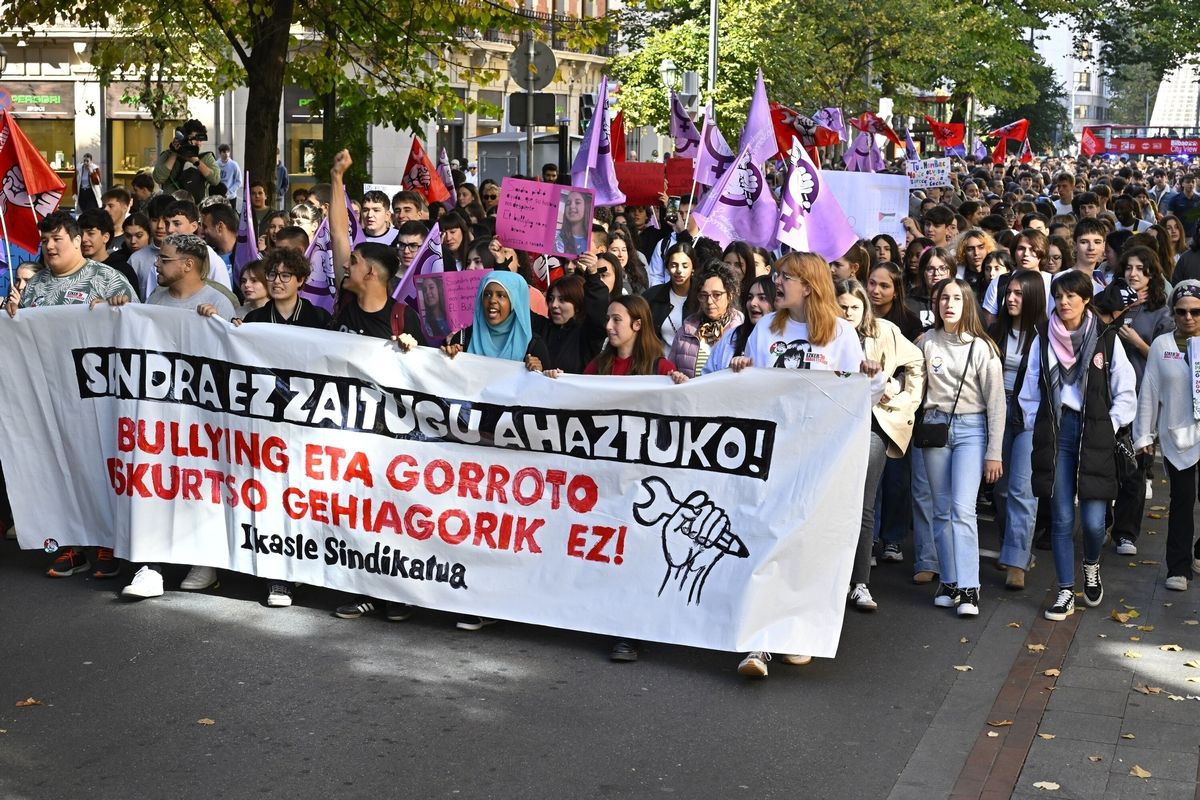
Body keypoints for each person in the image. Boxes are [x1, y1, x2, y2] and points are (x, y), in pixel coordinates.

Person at [729, 251, 879, 677]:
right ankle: (757, 645)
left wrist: (871, 375)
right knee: (764, 542)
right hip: (771, 455)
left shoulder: (842, 335)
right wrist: (740, 368)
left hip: (819, 459)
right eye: (778, 275)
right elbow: (747, 393)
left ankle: (799, 632)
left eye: (787, 277)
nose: (777, 283)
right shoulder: (764, 329)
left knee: (807, 546)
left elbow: (859, 399)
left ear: (809, 286)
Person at [5, 211, 138, 581]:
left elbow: (136, 331)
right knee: (57, 468)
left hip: (99, 398)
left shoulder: (109, 279)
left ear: (78, 240)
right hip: (47, 395)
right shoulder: (34, 285)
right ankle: (69, 544)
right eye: (44, 240)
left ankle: (108, 542)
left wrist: (119, 311)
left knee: (100, 466)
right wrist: (11, 313)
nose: (49, 247)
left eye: (57, 239)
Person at [1018, 270, 1137, 621]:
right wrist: (1034, 424)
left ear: (1086, 299)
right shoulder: (1042, 336)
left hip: (1095, 433)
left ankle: (1091, 566)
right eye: (1059, 296)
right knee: (1061, 518)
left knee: (1094, 522)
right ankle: (1066, 591)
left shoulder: (1104, 336)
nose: (1064, 302)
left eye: (1071, 295)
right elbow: (1029, 388)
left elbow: (1125, 387)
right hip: (1057, 431)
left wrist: (1110, 424)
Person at [835, 278, 925, 613]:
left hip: (873, 424)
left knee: (864, 502)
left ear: (864, 308)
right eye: (842, 306)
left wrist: (902, 394)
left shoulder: (883, 331)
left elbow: (916, 360)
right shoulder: (823, 334)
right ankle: (833, 579)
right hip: (833, 427)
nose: (848, 313)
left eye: (854, 307)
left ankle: (859, 583)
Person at [918, 279, 1005, 617]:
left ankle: (970, 586)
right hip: (936, 427)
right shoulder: (926, 342)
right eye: (943, 298)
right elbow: (914, 383)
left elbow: (996, 402)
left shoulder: (982, 348)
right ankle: (950, 580)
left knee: (962, 509)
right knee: (940, 509)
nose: (948, 304)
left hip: (972, 429)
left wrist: (993, 451)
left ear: (967, 303)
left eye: (956, 298)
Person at [1133, 280, 1200, 591]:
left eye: (1196, 312)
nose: (1188, 318)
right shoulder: (1162, 345)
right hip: (1177, 436)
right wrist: (1143, 435)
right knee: (1182, 500)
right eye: (1182, 312)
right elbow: (1149, 392)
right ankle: (1179, 567)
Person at [1108, 246, 1173, 557]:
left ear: (1151, 273)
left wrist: (1137, 343)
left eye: (1140, 268)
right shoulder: (1113, 301)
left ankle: (1125, 533)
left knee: (1135, 466)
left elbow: (1166, 360)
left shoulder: (1161, 310)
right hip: (1109, 395)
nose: (1133, 274)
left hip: (1142, 397)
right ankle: (1105, 519)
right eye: (1128, 267)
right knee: (1108, 463)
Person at [988, 270, 1048, 590]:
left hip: (1030, 413)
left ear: (1033, 297)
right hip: (997, 409)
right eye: (1008, 292)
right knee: (999, 489)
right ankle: (1012, 546)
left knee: (1022, 488)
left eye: (1018, 293)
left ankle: (1016, 560)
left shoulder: (1045, 334)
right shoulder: (994, 331)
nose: (1010, 298)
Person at [669, 263, 744, 377]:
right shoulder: (685, 332)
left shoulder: (741, 330)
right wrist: (676, 376)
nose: (709, 301)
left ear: (730, 295)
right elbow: (670, 371)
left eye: (716, 295)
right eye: (703, 295)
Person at [539, 269, 610, 375]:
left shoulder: (588, 334)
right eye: (551, 298)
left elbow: (598, 308)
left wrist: (593, 275)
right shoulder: (541, 327)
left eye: (562, 300)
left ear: (578, 304)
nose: (554, 305)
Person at [704, 274, 777, 374]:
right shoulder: (731, 336)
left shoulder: (786, 337)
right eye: (750, 297)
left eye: (762, 298)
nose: (752, 303)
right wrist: (730, 371)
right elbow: (707, 376)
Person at [643, 242, 696, 356]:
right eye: (673, 265)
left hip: (693, 365)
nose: (679, 270)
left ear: (693, 268)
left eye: (685, 266)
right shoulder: (652, 296)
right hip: (660, 365)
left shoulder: (702, 298)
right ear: (666, 268)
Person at [153, 119, 219, 202]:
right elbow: (159, 178)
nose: (198, 143)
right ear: (185, 138)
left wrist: (196, 161)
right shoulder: (168, 155)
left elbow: (215, 180)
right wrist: (174, 153)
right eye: (195, 139)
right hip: (171, 206)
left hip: (196, 208)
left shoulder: (206, 157)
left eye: (200, 140)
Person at [867, 262, 921, 341]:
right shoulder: (857, 315)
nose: (875, 291)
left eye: (884, 286)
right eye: (872, 283)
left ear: (896, 291)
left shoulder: (910, 323)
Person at [906, 246, 953, 332]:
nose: (936, 273)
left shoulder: (963, 298)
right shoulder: (909, 303)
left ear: (951, 271)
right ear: (922, 272)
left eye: (943, 268)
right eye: (930, 269)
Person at [556, 191, 591, 256]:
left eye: (577, 202)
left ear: (586, 207)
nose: (571, 206)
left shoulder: (591, 242)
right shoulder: (556, 237)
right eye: (568, 203)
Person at [217, 144, 243, 210]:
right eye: (224, 152)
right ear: (220, 153)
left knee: (231, 217)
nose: (226, 154)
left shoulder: (234, 165)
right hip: (219, 197)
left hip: (231, 197)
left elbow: (239, 181)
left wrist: (229, 192)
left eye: (228, 152)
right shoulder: (216, 164)